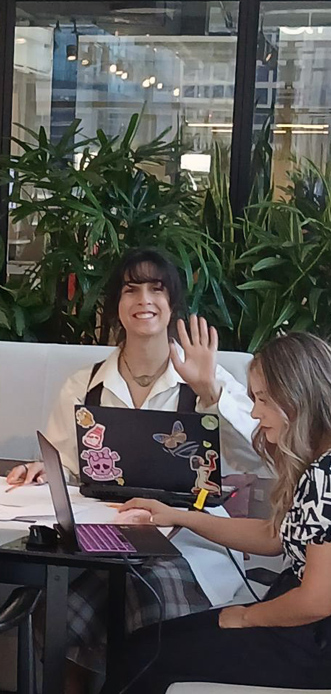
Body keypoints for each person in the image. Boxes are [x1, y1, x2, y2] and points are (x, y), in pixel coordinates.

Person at [109, 332, 331, 693]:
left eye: (263, 399)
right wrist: (180, 515)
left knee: (145, 653)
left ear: (298, 400)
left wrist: (244, 617)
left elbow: (317, 601)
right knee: (145, 643)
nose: (256, 412)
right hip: (330, 631)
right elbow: (274, 537)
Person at [6, 247, 263, 687]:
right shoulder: (84, 386)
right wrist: (43, 470)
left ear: (172, 304)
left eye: (156, 289)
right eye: (131, 289)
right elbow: (70, 467)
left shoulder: (206, 379)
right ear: (117, 307)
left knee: (149, 603)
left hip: (189, 545)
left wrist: (209, 392)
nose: (144, 299)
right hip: (104, 545)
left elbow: (255, 456)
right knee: (54, 612)